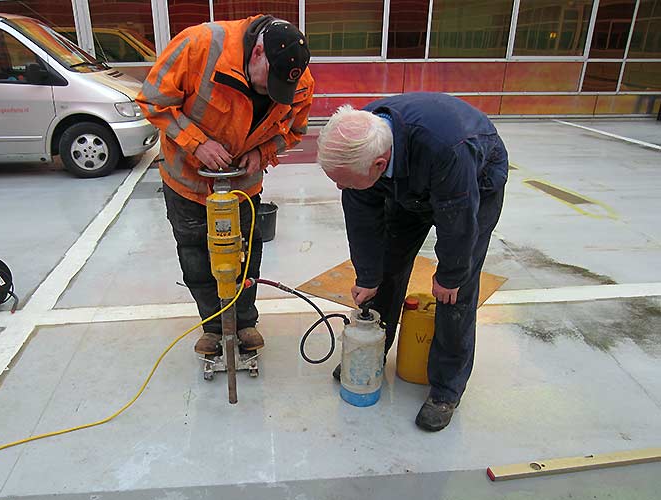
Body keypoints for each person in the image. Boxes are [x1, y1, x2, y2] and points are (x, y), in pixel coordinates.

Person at [316, 93, 508, 431]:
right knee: (387, 268)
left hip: (473, 182)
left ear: (378, 165)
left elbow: (459, 220)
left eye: (343, 180)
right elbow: (363, 221)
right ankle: (372, 351)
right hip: (409, 183)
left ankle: (446, 388)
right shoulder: (361, 140)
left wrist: (450, 274)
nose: (338, 186)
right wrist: (368, 276)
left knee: (455, 293)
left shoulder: (446, 149)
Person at [137, 15, 314, 356]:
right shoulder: (199, 45)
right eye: (267, 83)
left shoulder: (299, 79)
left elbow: (295, 130)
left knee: (245, 254)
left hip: (241, 186)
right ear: (258, 51)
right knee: (195, 255)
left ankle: (245, 322)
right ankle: (213, 326)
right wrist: (196, 143)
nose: (270, 92)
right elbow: (152, 99)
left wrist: (264, 152)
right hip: (187, 178)